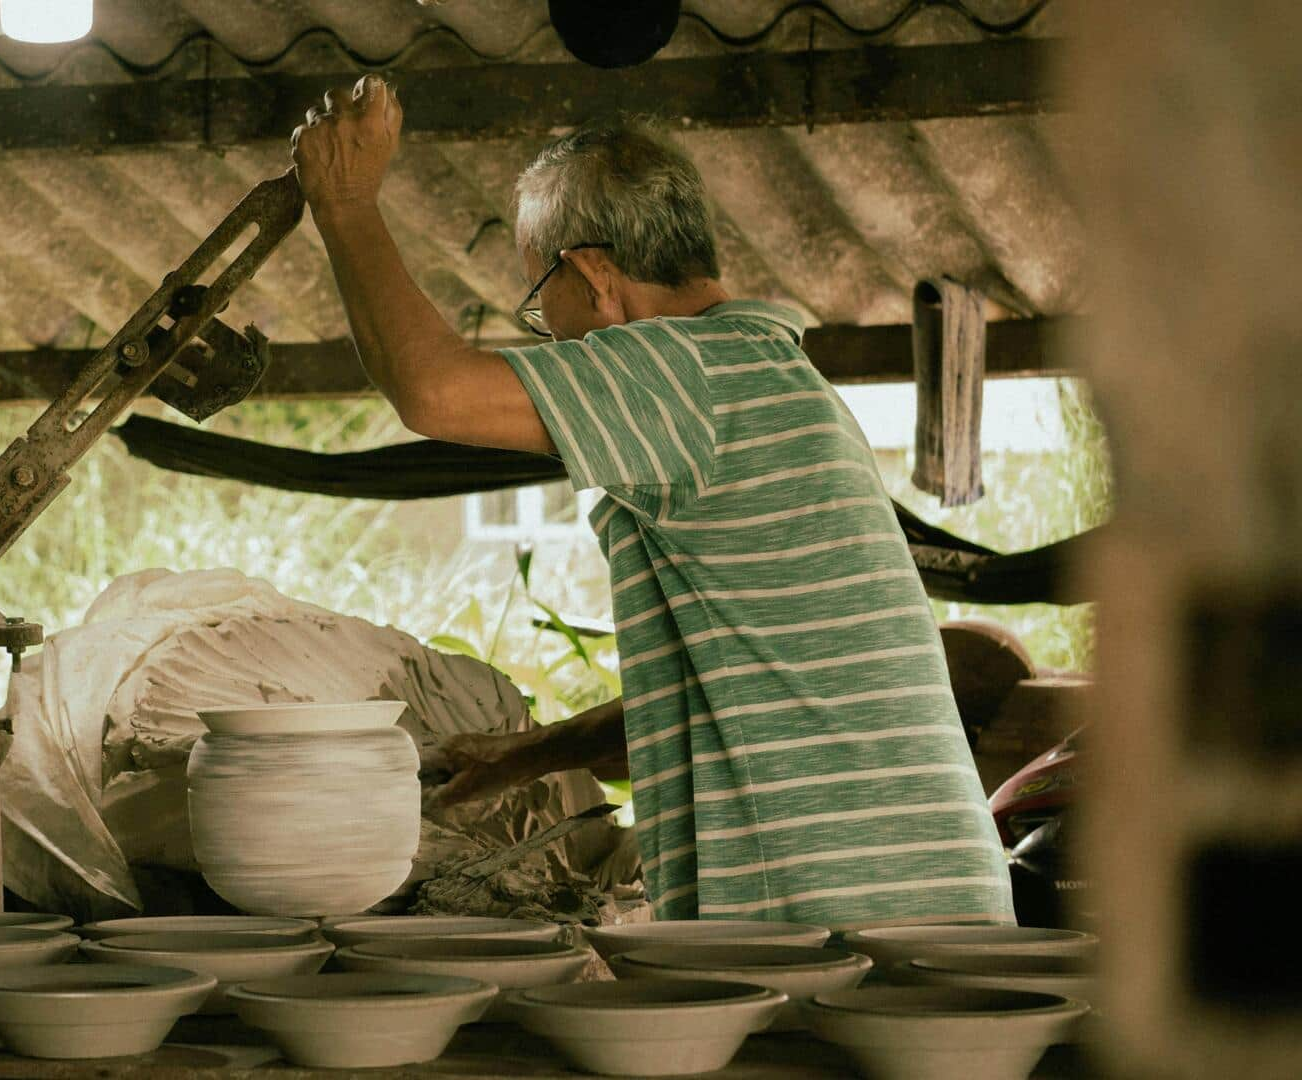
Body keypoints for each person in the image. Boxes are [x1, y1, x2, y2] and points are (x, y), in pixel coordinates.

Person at [291, 77, 1014, 929]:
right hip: (900, 896)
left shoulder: (687, 369)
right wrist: (528, 757)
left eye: (538, 301)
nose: (548, 335)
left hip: (862, 909)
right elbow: (723, 695)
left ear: (594, 277)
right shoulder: (751, 375)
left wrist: (343, 205)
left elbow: (433, 391)